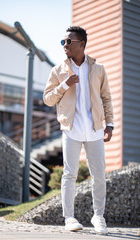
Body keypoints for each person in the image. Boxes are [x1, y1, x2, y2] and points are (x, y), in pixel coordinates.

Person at [43, 26, 114, 235]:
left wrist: (109, 124)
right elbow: (48, 99)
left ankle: (98, 216)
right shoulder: (58, 71)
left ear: (81, 44)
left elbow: (106, 98)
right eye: (63, 42)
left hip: (94, 129)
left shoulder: (98, 69)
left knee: (99, 175)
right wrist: (64, 85)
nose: (65, 45)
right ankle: (69, 218)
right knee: (69, 174)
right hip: (71, 128)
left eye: (69, 42)